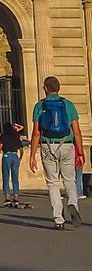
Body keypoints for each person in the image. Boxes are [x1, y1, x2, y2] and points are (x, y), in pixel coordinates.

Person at [29, 75, 84, 229]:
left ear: (45, 88)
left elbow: (36, 133)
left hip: (48, 145)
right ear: (58, 88)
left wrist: (32, 155)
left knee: (53, 183)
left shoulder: (40, 106)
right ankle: (73, 203)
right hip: (66, 145)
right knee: (69, 180)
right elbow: (77, 131)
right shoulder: (68, 105)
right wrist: (80, 152)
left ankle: (59, 220)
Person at [0, 120, 24, 207]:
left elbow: (0, 147)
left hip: (7, 156)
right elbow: (21, 149)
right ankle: (16, 197)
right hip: (15, 156)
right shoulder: (16, 135)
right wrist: (20, 158)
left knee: (6, 177)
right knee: (15, 177)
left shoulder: (4, 136)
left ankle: (7, 197)